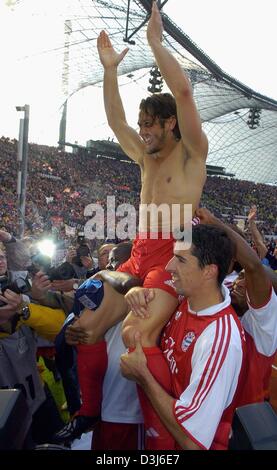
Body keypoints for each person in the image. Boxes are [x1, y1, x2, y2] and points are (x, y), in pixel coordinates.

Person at [70, 0, 208, 449]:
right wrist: (110, 69)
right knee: (84, 322)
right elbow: (114, 119)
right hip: (140, 251)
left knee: (136, 334)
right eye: (142, 124)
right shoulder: (145, 156)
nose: (143, 131)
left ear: (171, 124)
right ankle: (88, 413)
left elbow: (185, 94)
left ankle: (164, 434)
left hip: (173, 255)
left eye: (151, 125)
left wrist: (156, 44)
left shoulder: (191, 154)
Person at [121, 223, 247, 450]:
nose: (169, 267)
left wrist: (143, 376)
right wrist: (135, 291)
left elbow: (192, 442)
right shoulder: (183, 300)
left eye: (180, 260)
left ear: (209, 271)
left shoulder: (220, 340)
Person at [52, 243, 144, 450]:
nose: (112, 265)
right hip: (104, 397)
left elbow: (130, 282)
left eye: (115, 259)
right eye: (108, 260)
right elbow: (81, 325)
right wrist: (71, 333)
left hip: (127, 406)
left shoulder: (140, 292)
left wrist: (101, 274)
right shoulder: (101, 289)